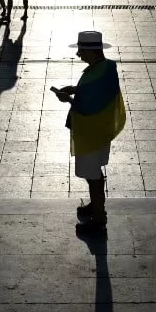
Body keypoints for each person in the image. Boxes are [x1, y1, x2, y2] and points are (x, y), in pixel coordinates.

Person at [52, 31, 126, 235]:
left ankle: (99, 219)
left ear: (92, 51)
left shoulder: (96, 72)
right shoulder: (106, 68)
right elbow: (98, 94)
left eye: (81, 51)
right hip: (100, 130)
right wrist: (75, 89)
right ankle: (95, 204)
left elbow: (88, 106)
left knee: (93, 176)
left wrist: (68, 99)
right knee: (95, 173)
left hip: (90, 133)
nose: (79, 55)